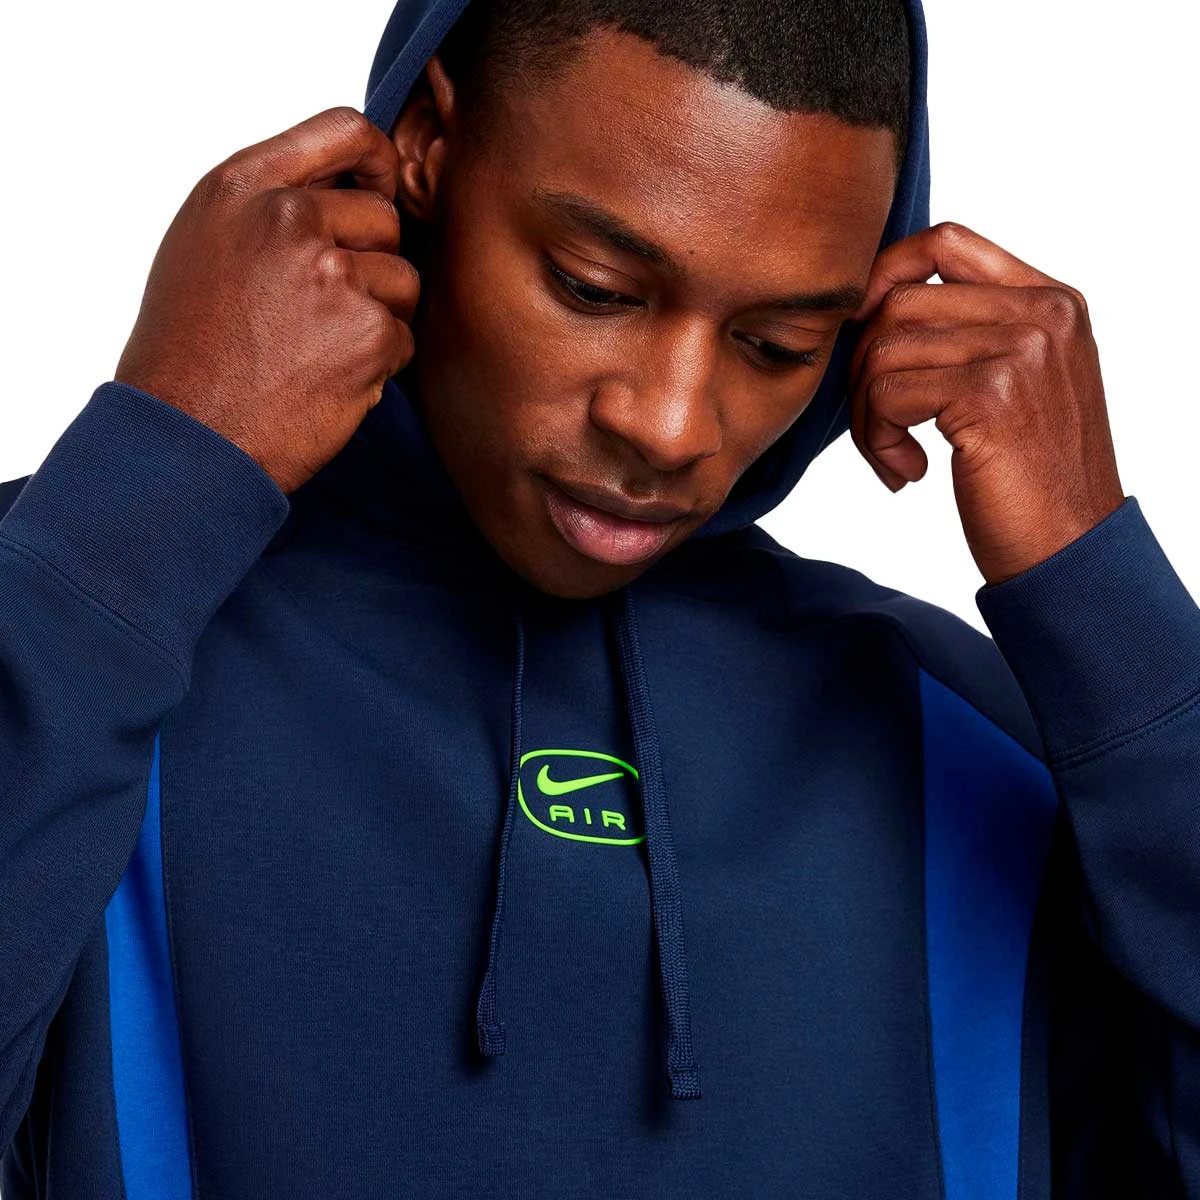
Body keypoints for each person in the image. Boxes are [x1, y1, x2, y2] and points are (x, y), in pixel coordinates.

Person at [1, 0, 1197, 1195]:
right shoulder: (84, 611)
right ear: (427, 145)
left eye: (778, 344)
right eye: (596, 287)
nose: (669, 425)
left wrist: (1106, 608)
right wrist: (157, 484)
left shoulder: (977, 741)